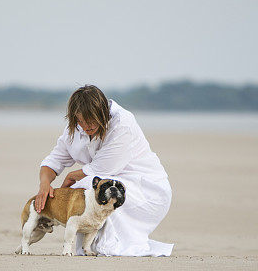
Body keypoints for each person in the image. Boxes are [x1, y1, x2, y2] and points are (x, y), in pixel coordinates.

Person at [35, 84, 174, 256]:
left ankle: (104, 245)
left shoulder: (122, 123)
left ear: (103, 112)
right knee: (87, 187)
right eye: (81, 120)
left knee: (89, 186)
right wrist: (44, 183)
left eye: (91, 119)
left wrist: (72, 176)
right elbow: (55, 159)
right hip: (108, 180)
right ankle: (89, 243)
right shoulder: (75, 128)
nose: (87, 126)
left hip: (147, 189)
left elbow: (104, 169)